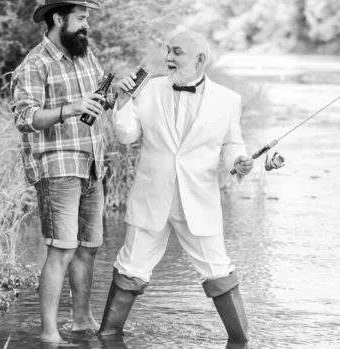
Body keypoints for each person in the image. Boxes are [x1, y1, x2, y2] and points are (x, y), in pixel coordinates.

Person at [97, 31, 254, 342]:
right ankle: (105, 338)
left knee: (218, 269)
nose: (168, 58)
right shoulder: (147, 89)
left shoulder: (228, 100)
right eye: (168, 51)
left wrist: (239, 162)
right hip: (151, 196)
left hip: (198, 200)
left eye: (176, 52)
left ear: (200, 60)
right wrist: (124, 100)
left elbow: (232, 145)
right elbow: (126, 136)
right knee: (130, 266)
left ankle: (241, 342)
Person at [11, 0, 112, 344]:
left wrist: (121, 91)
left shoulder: (84, 54)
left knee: (89, 248)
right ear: (59, 18)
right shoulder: (35, 63)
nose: (87, 26)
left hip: (92, 165)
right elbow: (26, 117)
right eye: (82, 18)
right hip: (57, 169)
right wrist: (70, 108)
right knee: (62, 249)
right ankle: (49, 335)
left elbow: (99, 98)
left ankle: (82, 323)